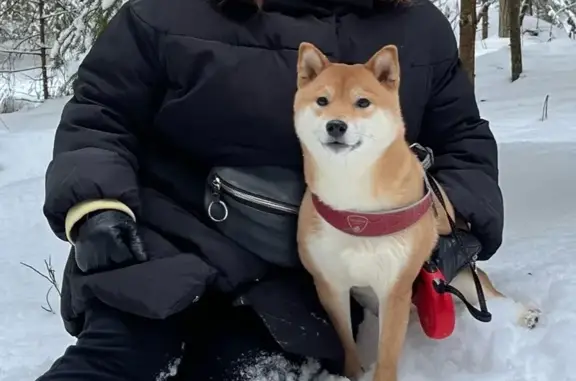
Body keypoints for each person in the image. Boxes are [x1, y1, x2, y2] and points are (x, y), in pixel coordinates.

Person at [37, 0, 504, 379]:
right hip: (165, 249)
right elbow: (101, 114)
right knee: (118, 361)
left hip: (300, 288)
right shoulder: (167, 13)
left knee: (251, 370)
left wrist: (447, 213)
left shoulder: (417, 28)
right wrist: (95, 205)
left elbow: (462, 138)